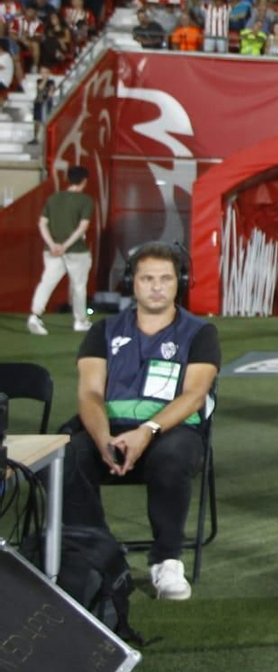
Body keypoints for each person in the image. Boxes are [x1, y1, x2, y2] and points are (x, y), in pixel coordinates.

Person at [62, 243, 218, 602]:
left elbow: (193, 397)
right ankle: (97, 554)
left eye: (166, 278)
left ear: (179, 282)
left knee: (172, 457)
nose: (157, 286)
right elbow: (89, 394)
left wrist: (146, 433)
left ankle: (166, 560)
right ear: (132, 282)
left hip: (172, 431)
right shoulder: (102, 332)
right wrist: (103, 439)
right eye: (147, 278)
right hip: (108, 428)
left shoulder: (200, 333)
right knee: (67, 454)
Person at [28, 165, 94, 336]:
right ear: (84, 181)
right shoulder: (86, 201)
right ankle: (80, 321)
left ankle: (35, 316)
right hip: (76, 250)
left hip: (51, 250)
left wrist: (52, 245)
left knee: (46, 283)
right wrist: (65, 246)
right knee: (79, 287)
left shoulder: (54, 198)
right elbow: (82, 227)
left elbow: (42, 224)